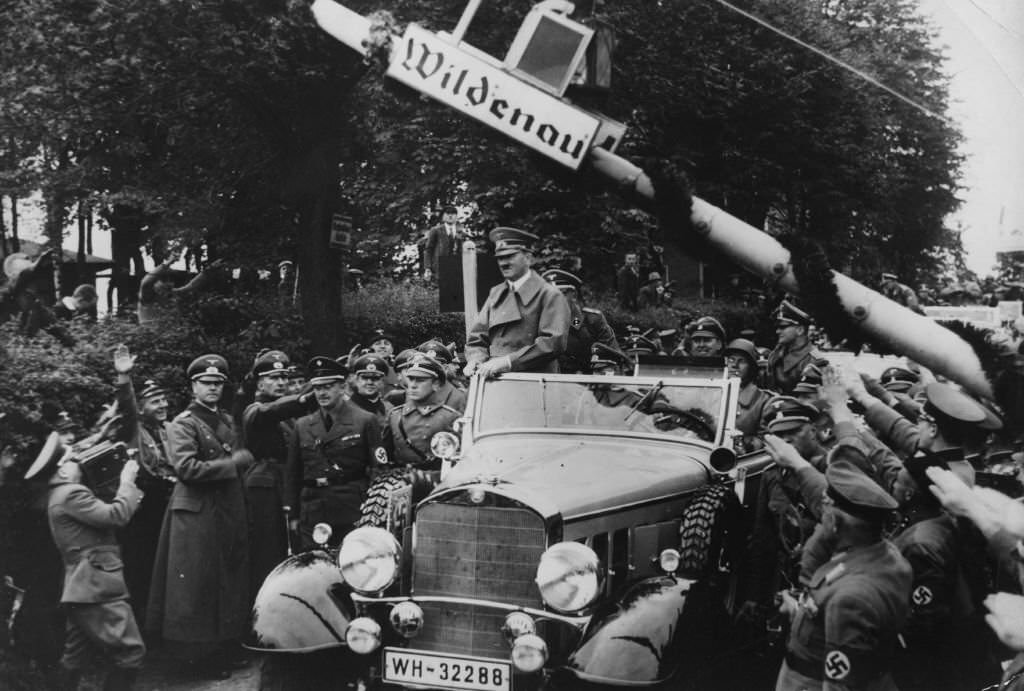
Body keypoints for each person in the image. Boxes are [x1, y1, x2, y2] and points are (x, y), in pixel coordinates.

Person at [147, 354, 253, 679]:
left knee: (224, 581)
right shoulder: (183, 423)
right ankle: (196, 660)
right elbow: (186, 468)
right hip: (196, 513)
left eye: (218, 383)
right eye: (206, 383)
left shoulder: (224, 418)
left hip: (224, 510)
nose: (212, 388)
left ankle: (221, 648)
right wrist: (233, 464)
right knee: (197, 588)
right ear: (193, 386)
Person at [26, 426, 145, 691]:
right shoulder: (71, 493)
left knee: (74, 656)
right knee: (131, 653)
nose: (77, 461)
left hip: (81, 588)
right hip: (97, 587)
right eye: (71, 459)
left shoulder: (61, 494)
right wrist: (128, 481)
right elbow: (116, 516)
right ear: (63, 470)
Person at [774, 461, 912, 691]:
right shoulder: (885, 555)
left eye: (826, 509)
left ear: (836, 523)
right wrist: (800, 613)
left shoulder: (851, 599)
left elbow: (840, 685)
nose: (822, 516)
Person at [286, 356, 386, 550]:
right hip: (313, 510)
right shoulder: (303, 425)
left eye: (328, 386)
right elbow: (293, 474)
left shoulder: (364, 420)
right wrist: (294, 515)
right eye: (317, 388)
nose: (322, 393)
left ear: (342, 387)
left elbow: (378, 470)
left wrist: (372, 511)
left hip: (351, 508)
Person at [240, 350, 318, 597]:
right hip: (264, 488)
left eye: (284, 377)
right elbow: (270, 412)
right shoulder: (255, 410)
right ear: (260, 382)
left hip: (287, 484)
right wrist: (304, 399)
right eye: (274, 378)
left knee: (291, 548)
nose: (282, 382)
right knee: (267, 551)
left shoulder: (288, 412)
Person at [112, 346, 176, 630]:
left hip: (169, 504)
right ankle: (142, 633)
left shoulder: (169, 429)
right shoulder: (134, 431)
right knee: (142, 568)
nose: (162, 405)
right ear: (141, 407)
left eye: (164, 400)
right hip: (143, 511)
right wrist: (124, 378)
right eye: (154, 402)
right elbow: (126, 408)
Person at [464, 227, 570, 377]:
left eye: (510, 256)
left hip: (534, 384)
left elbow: (552, 344)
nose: (504, 263)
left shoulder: (549, 295)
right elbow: (477, 338)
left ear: (528, 258)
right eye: (500, 258)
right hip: (494, 383)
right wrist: (475, 360)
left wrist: (507, 362)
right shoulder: (496, 293)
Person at [382, 355, 460, 499]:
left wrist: (426, 478)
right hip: (399, 489)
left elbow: (458, 467)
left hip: (436, 491)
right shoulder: (395, 415)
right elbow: (384, 460)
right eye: (411, 378)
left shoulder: (450, 418)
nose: (413, 385)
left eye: (421, 380)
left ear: (436, 384)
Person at [541, 269, 620, 374]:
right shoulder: (541, 323)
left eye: (560, 294)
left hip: (589, 383)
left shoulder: (592, 321)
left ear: (573, 295)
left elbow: (611, 359)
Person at [137, 258, 223, 325]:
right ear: (156, 282)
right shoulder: (147, 296)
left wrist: (210, 269)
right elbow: (146, 282)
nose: (169, 282)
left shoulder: (173, 293)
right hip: (150, 336)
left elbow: (191, 286)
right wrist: (167, 263)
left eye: (170, 279)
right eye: (164, 279)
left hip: (169, 336)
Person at [764, 298, 822, 395]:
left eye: (783, 327)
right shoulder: (776, 354)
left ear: (800, 330)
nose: (777, 331)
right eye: (777, 328)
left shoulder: (815, 361)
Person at [724, 339, 772, 450]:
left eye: (742, 361)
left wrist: (745, 445)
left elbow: (766, 439)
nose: (734, 365)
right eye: (731, 360)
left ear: (751, 368)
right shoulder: (713, 393)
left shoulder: (764, 400)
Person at [416, 340, 467, 412]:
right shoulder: (413, 392)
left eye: (435, 367)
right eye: (426, 367)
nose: (429, 371)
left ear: (445, 368)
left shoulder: (459, 396)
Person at [423, 205, 465, 281]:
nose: (450, 216)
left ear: (456, 217)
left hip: (457, 268)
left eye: (453, 213)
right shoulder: (436, 230)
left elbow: (462, 251)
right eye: (448, 213)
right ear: (443, 217)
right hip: (439, 268)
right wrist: (427, 268)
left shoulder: (460, 232)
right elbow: (428, 249)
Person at [348, 353, 393, 423]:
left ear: (383, 381)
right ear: (356, 379)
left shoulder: (389, 409)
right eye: (364, 378)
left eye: (375, 378)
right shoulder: (345, 409)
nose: (369, 382)